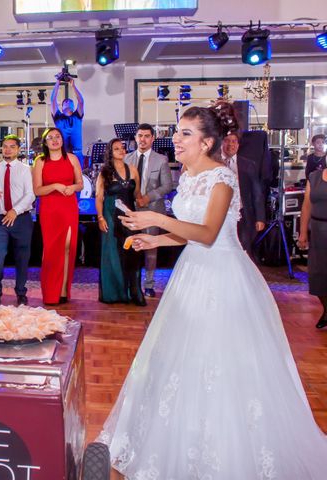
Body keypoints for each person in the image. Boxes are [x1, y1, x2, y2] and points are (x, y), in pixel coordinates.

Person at [97, 102, 327, 479]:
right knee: (181, 360)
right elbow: (189, 234)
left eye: (185, 133)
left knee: (221, 362)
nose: (177, 138)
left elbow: (208, 234)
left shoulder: (222, 178)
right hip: (192, 273)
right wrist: (153, 241)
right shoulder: (187, 176)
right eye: (177, 131)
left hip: (223, 276)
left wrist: (156, 219)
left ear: (206, 143)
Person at [0, 135, 35, 306]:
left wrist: (15, 211)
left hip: (22, 219)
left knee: (22, 257)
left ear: (18, 149)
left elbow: (30, 195)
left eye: (12, 146)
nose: (8, 149)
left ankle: (21, 292)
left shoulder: (25, 169)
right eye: (5, 146)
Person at [33, 127, 82, 305]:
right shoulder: (40, 161)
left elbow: (80, 183)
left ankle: (63, 291)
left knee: (68, 247)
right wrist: (55, 186)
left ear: (62, 139)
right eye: (51, 138)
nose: (55, 140)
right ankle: (50, 293)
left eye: (58, 137)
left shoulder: (72, 158)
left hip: (69, 206)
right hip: (50, 209)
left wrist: (73, 188)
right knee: (52, 250)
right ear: (45, 143)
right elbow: (37, 190)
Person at [123, 123, 173, 297]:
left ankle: (149, 285)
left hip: (152, 211)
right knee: (131, 246)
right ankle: (132, 283)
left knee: (151, 249)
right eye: (140, 136)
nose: (142, 139)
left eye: (146, 136)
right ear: (135, 138)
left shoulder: (161, 160)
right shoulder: (126, 159)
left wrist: (148, 197)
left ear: (152, 138)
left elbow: (167, 186)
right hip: (131, 210)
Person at [96, 138, 145, 305]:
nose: (121, 151)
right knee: (113, 254)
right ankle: (115, 293)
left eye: (122, 148)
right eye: (117, 149)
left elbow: (137, 194)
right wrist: (101, 217)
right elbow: (99, 197)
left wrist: (144, 201)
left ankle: (134, 291)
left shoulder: (132, 170)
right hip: (111, 215)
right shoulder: (104, 172)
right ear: (110, 152)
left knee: (133, 252)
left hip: (130, 216)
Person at [221, 132, 266, 257]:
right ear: (221, 143)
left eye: (234, 141)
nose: (230, 144)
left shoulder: (248, 164)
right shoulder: (214, 163)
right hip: (219, 214)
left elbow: (257, 192)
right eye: (227, 140)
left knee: (244, 250)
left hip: (242, 214)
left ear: (238, 144)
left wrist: (260, 217)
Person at [298, 167, 327, 329]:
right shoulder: (314, 177)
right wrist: (303, 232)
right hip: (318, 231)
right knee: (317, 273)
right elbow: (307, 205)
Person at [51, 77, 85, 163]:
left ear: (73, 107)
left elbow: (81, 101)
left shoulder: (77, 116)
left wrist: (73, 85)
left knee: (78, 175)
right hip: (62, 153)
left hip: (77, 153)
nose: (68, 102)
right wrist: (58, 81)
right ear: (61, 108)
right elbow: (53, 100)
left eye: (70, 102)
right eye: (65, 102)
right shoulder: (58, 117)